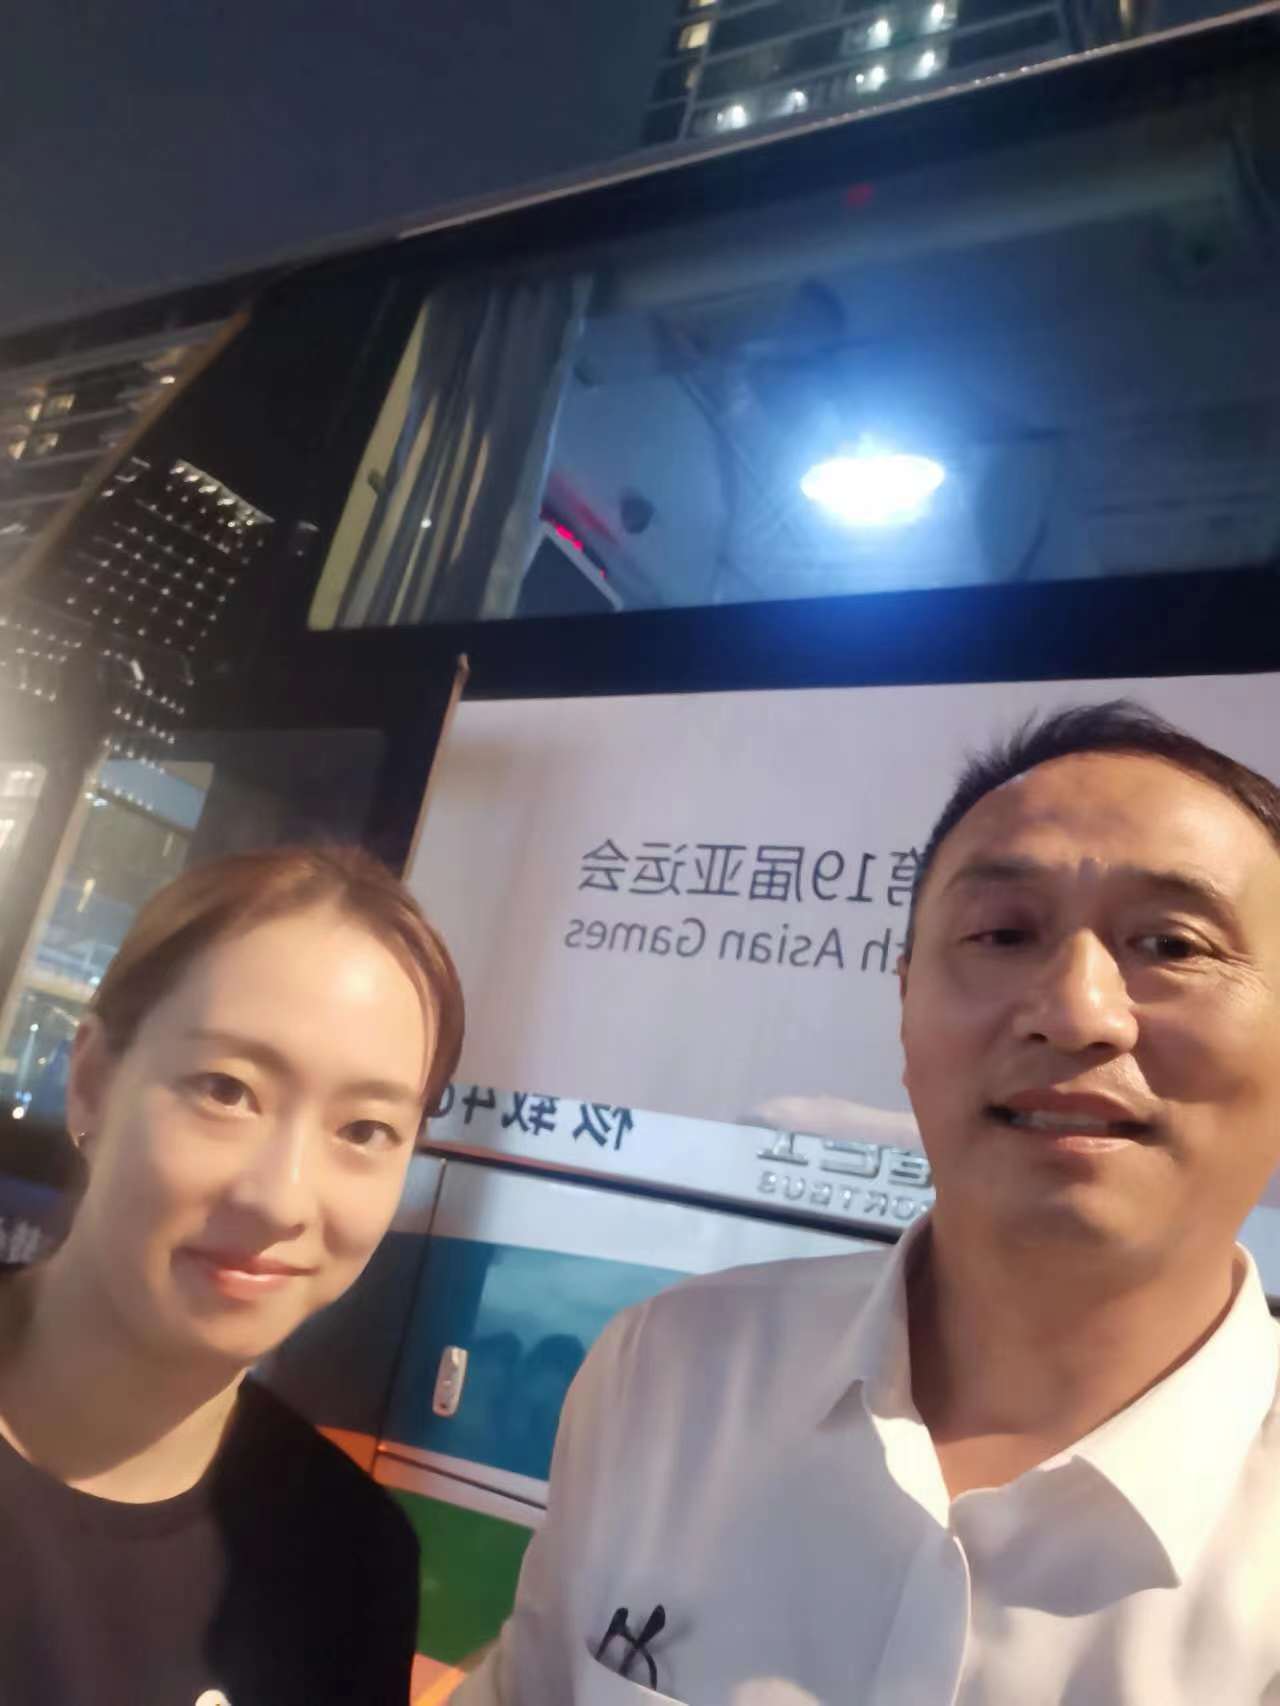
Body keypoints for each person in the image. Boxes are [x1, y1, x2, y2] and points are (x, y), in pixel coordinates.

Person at [458, 701, 1280, 1706]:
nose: (1076, 1012)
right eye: (1001, 932)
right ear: (903, 1004)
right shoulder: (668, 1373)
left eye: (1172, 944)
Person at [0, 845, 464, 1706]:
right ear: (92, 1080)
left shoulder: (352, 1568)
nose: (281, 1198)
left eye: (364, 1131)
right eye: (225, 1089)